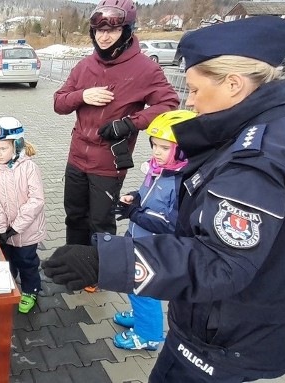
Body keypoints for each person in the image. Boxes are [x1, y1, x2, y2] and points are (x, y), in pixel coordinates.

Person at [43, 16, 285, 382]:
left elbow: (218, 262)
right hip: (222, 322)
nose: (189, 102)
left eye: (194, 90)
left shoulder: (255, 161)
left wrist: (106, 261)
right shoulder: (272, 135)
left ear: (233, 84)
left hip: (223, 337)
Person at [53, 0, 179, 247]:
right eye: (99, 30)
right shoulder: (84, 66)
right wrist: (82, 95)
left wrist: (130, 124)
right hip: (77, 157)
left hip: (108, 163)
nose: (104, 36)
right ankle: (74, 263)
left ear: (127, 31)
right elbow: (59, 103)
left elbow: (169, 103)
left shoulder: (146, 69)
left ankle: (100, 271)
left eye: (112, 30)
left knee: (100, 222)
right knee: (75, 217)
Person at [109, 110, 195, 351]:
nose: (156, 151)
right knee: (134, 286)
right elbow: (146, 195)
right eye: (154, 145)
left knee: (144, 289)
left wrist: (134, 214)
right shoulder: (159, 169)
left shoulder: (181, 182)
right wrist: (134, 198)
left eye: (164, 147)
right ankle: (142, 318)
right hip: (138, 237)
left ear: (183, 149)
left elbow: (170, 223)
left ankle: (149, 336)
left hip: (155, 246)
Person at [0, 117, 44, 314]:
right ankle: (9, 284)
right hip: (7, 230)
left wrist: (16, 227)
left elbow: (36, 201)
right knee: (8, 259)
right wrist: (1, 229)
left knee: (27, 261)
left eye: (3, 148)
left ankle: (30, 289)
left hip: (27, 230)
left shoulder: (29, 168)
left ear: (16, 146)